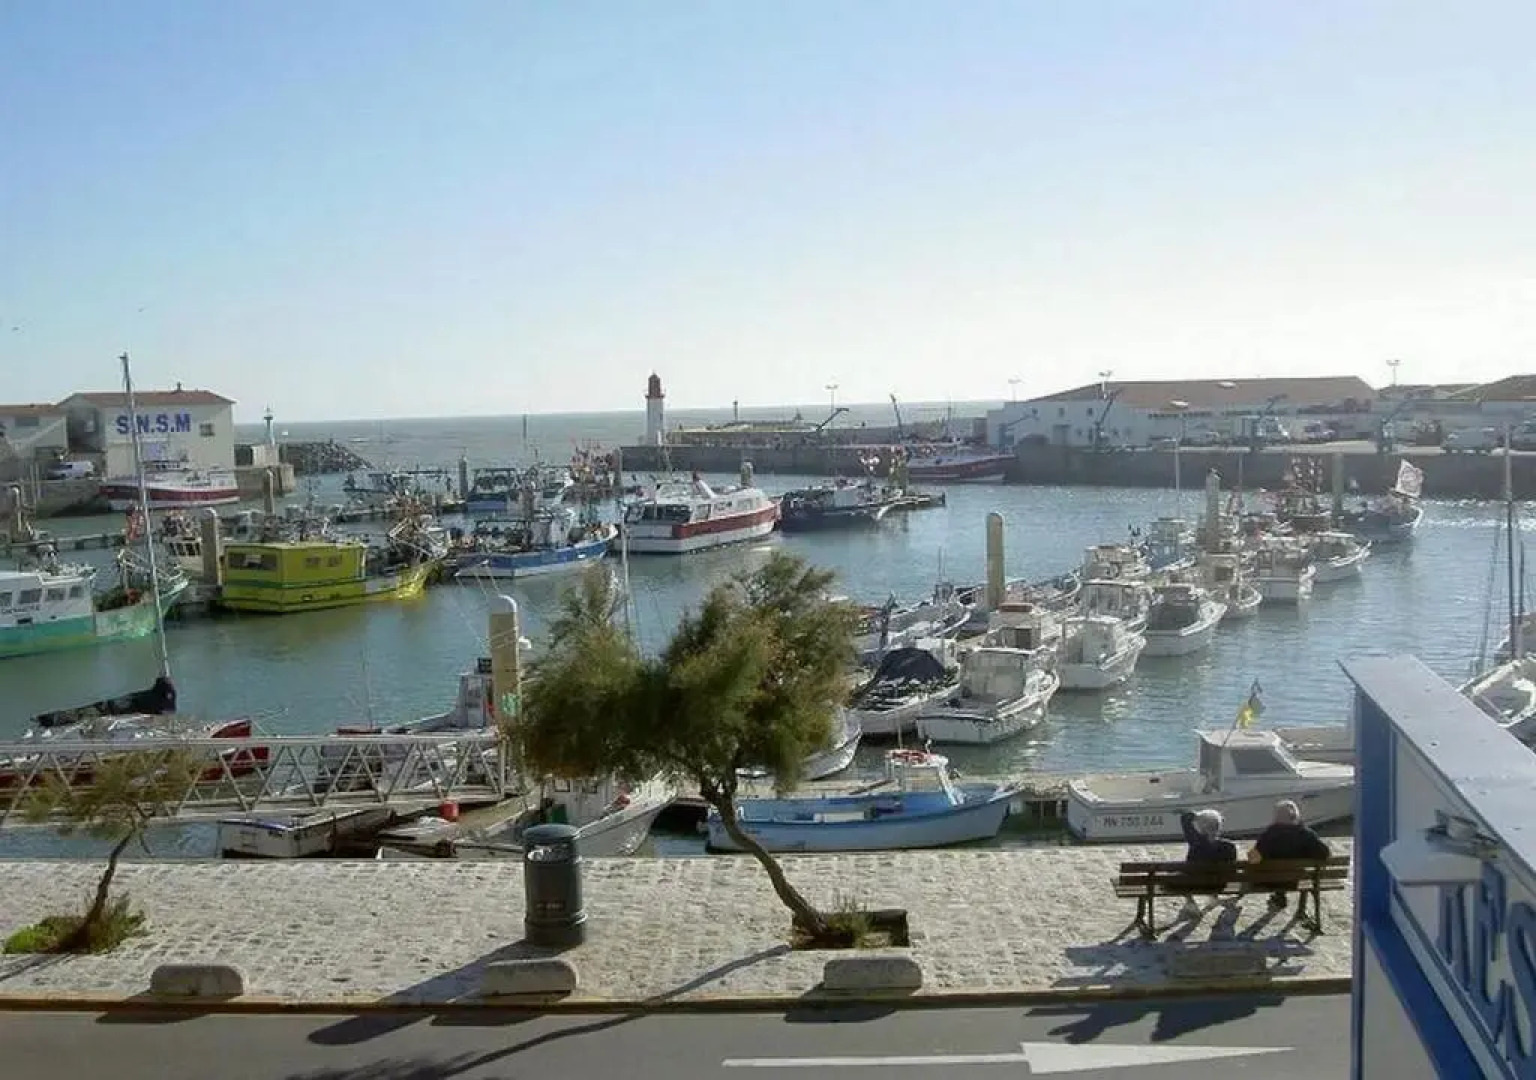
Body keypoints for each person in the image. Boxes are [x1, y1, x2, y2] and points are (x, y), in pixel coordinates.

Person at [1252, 800, 1332, 910]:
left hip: (1269, 881)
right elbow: (1325, 854)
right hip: (1295, 881)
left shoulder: (1268, 834)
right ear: (1295, 815)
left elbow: (1253, 859)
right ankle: (1282, 895)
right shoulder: (1306, 834)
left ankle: (1279, 894)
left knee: (1275, 870)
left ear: (1277, 816)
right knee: (1291, 869)